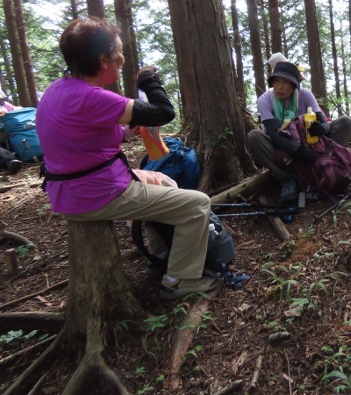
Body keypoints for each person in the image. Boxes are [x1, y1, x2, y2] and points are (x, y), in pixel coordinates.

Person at [36, 17, 218, 299]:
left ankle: (164, 257)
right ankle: (180, 281)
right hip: (95, 193)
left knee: (163, 180)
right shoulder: (92, 97)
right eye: (118, 52)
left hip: (75, 187)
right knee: (198, 204)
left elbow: (82, 134)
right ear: (103, 59)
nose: (122, 58)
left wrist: (124, 134)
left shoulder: (59, 90)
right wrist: (149, 80)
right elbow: (163, 111)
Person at [247, 61, 351, 200]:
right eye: (276, 81)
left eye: (285, 82)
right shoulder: (265, 100)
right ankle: (286, 178)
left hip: (311, 145)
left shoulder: (305, 95)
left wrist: (322, 128)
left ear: (294, 85)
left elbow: (323, 121)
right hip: (282, 148)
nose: (279, 86)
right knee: (254, 136)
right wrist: (296, 150)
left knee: (346, 122)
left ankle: (329, 162)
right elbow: (273, 132)